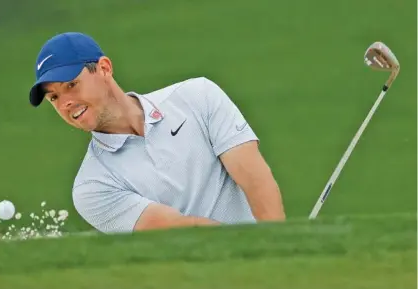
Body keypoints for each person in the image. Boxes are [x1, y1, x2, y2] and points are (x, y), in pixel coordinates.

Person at [29, 32, 285, 233]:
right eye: (54, 98)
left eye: (71, 85)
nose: (65, 104)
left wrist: (277, 246)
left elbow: (256, 180)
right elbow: (183, 232)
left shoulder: (197, 96)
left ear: (105, 69)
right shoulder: (92, 186)